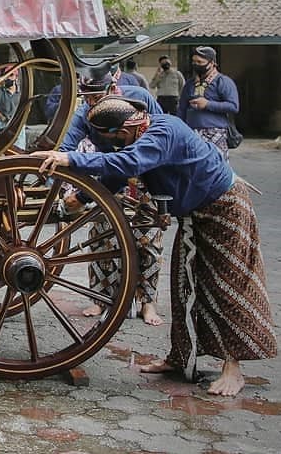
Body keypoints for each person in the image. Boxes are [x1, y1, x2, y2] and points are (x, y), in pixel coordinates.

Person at [34, 97, 276, 396]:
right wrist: (81, 199)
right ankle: (179, 358)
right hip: (195, 214)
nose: (113, 147)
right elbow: (118, 173)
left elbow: (130, 162)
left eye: (113, 140)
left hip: (224, 207)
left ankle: (233, 370)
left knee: (227, 286)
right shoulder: (140, 135)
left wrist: (70, 159)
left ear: (124, 131)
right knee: (184, 284)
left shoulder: (163, 131)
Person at [60, 68, 166, 326]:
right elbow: (67, 148)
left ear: (112, 89)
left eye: (96, 97)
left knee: (148, 237)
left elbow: (160, 131)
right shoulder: (84, 113)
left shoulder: (139, 98)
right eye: (86, 98)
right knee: (102, 237)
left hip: (145, 173)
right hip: (108, 177)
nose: (91, 103)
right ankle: (101, 298)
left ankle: (147, 302)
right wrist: (59, 185)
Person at [178, 46, 240, 160]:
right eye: (194, 62)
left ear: (212, 63)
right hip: (191, 132)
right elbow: (182, 109)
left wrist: (207, 104)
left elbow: (233, 106)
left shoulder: (223, 82)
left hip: (215, 133)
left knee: (216, 166)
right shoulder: (190, 84)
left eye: (200, 62)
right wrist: (180, 129)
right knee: (193, 166)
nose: (196, 65)